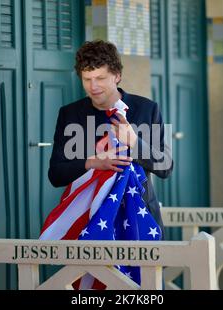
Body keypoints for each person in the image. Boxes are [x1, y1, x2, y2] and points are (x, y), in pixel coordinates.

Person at [47, 40, 173, 238]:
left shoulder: (148, 109)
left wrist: (134, 141)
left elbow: (165, 167)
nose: (93, 86)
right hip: (88, 223)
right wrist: (93, 162)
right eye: (87, 79)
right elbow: (55, 174)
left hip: (139, 223)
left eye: (100, 78)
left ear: (117, 76)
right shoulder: (69, 114)